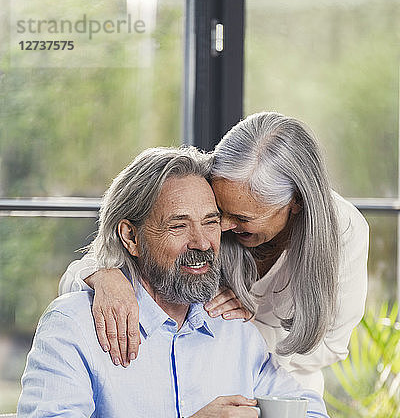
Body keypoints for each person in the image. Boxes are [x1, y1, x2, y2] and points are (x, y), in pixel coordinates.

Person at [14, 147, 335, 418]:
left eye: (211, 223)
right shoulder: (75, 324)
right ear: (131, 237)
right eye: (178, 226)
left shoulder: (232, 328)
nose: (201, 242)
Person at [60, 112, 369, 395]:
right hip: (197, 393)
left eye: (243, 219)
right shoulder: (202, 210)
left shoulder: (344, 231)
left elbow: (330, 345)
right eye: (218, 212)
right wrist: (103, 275)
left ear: (296, 203)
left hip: (284, 393)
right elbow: (99, 259)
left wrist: (246, 334)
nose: (221, 226)